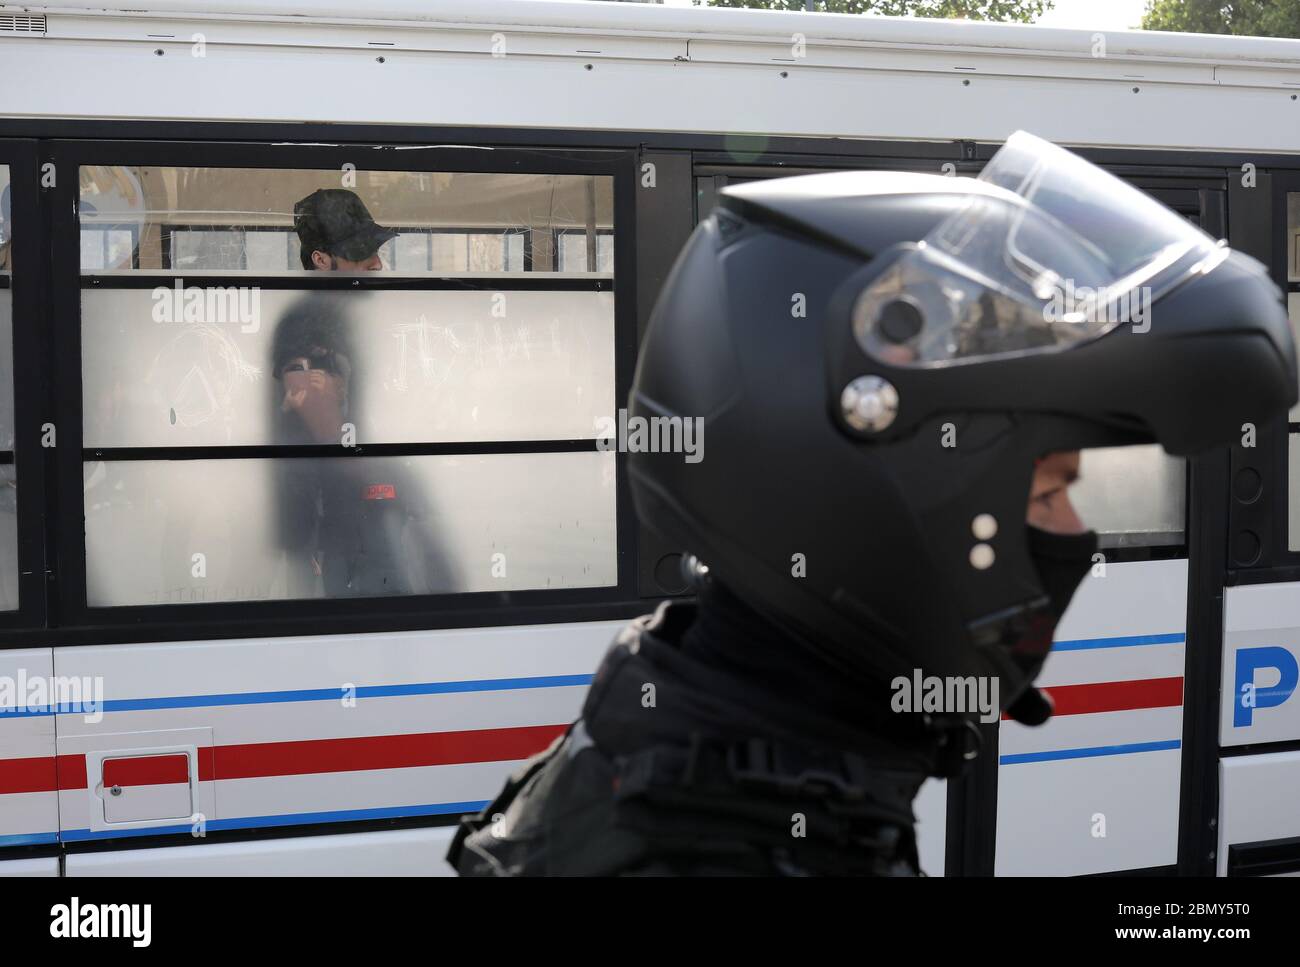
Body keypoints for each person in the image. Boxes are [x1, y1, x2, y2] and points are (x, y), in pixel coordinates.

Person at [447, 132, 1297, 876]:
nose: (1080, 535)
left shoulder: (703, 759)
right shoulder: (725, 837)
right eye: (1046, 489)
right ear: (867, 493)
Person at [272, 189, 453, 597]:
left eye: (374, 248)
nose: (376, 262)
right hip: (335, 527)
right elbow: (321, 430)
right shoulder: (308, 326)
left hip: (362, 516)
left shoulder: (352, 319)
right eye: (359, 251)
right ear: (320, 260)